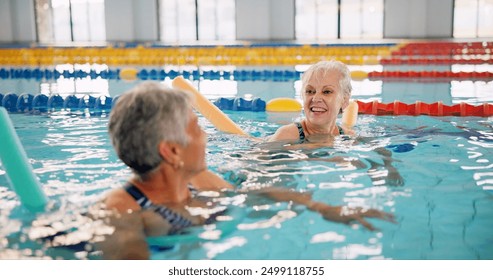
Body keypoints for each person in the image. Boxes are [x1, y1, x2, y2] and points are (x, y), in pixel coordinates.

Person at [97, 81, 395, 259]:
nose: (206, 136)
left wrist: (322, 207)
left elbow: (253, 192)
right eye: (197, 127)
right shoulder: (122, 215)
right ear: (172, 151)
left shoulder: (198, 179)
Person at [268, 60, 404, 186]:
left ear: (344, 100)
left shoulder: (346, 134)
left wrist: (389, 167)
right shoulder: (289, 134)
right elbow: (261, 166)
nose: (316, 98)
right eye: (310, 91)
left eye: (327, 92)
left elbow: (381, 150)